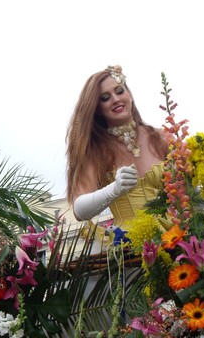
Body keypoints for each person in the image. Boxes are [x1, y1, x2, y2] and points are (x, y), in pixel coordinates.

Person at [66, 65, 168, 226]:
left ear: (130, 95)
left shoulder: (161, 137)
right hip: (130, 248)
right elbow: (79, 210)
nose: (116, 99)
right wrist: (114, 189)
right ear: (97, 109)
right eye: (105, 98)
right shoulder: (95, 152)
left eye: (119, 91)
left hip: (178, 241)